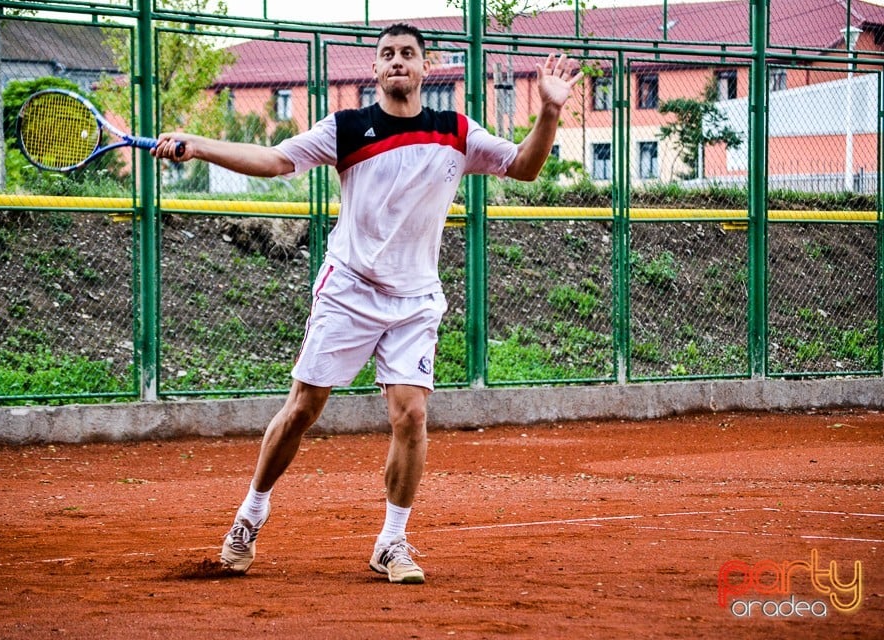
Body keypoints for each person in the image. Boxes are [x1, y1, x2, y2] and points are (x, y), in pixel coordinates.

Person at [152, 22, 583, 584]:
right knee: (303, 410)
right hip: (349, 289)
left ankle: (391, 541)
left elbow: (525, 166)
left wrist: (547, 112)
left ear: (426, 69)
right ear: (375, 71)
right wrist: (200, 144)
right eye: (387, 55)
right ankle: (250, 516)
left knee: (412, 414)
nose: (398, 61)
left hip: (414, 299)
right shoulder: (347, 129)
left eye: (409, 54)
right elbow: (275, 159)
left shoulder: (455, 131)